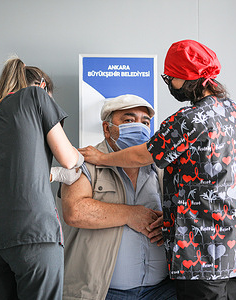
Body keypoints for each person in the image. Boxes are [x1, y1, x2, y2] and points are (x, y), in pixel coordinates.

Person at [79, 40, 236, 300]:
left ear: (186, 78)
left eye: (171, 78)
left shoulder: (187, 119)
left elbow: (144, 154)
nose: (170, 85)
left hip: (201, 255)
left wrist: (101, 158)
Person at [0, 57, 83, 300]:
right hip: (32, 232)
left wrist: (55, 174)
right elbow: (68, 159)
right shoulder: (36, 96)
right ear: (42, 86)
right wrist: (79, 159)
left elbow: (18, 172)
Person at [57, 94, 177, 300]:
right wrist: (130, 214)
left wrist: (170, 224)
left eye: (145, 122)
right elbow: (75, 211)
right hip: (103, 293)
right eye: (129, 120)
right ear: (107, 128)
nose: (139, 127)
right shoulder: (84, 162)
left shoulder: (161, 168)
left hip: (162, 291)